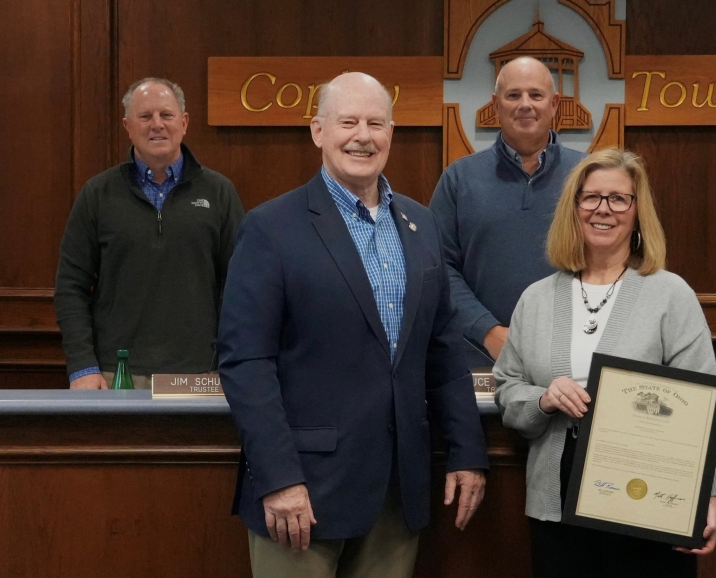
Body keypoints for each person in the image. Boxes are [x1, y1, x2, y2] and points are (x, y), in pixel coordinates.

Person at [217, 72, 489, 578]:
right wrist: (278, 478)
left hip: (397, 491)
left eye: (376, 123)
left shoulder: (421, 224)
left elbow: (444, 350)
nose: (363, 136)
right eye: (348, 122)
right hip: (303, 493)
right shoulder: (271, 227)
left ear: (391, 133)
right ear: (318, 131)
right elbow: (246, 362)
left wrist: (467, 451)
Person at [493, 147, 716, 577]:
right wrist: (543, 399)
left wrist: (709, 494)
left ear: (637, 213)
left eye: (619, 198)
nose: (604, 209)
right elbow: (507, 388)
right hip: (556, 498)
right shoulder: (536, 299)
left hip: (649, 494)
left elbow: (702, 407)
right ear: (574, 208)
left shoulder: (671, 295)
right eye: (591, 197)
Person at [55, 77, 243, 389]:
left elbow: (240, 287)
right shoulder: (98, 194)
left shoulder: (219, 193)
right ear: (127, 126)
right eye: (145, 116)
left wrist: (230, 364)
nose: (157, 124)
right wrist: (82, 366)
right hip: (116, 375)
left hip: (200, 375)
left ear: (184, 123)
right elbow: (70, 287)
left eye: (166, 115)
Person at [430, 56, 585, 366]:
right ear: (496, 105)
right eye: (513, 95)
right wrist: (488, 332)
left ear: (554, 104)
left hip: (572, 354)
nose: (525, 104)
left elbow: (612, 263)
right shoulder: (459, 179)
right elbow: (438, 267)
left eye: (536, 95)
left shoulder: (588, 175)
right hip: (479, 357)